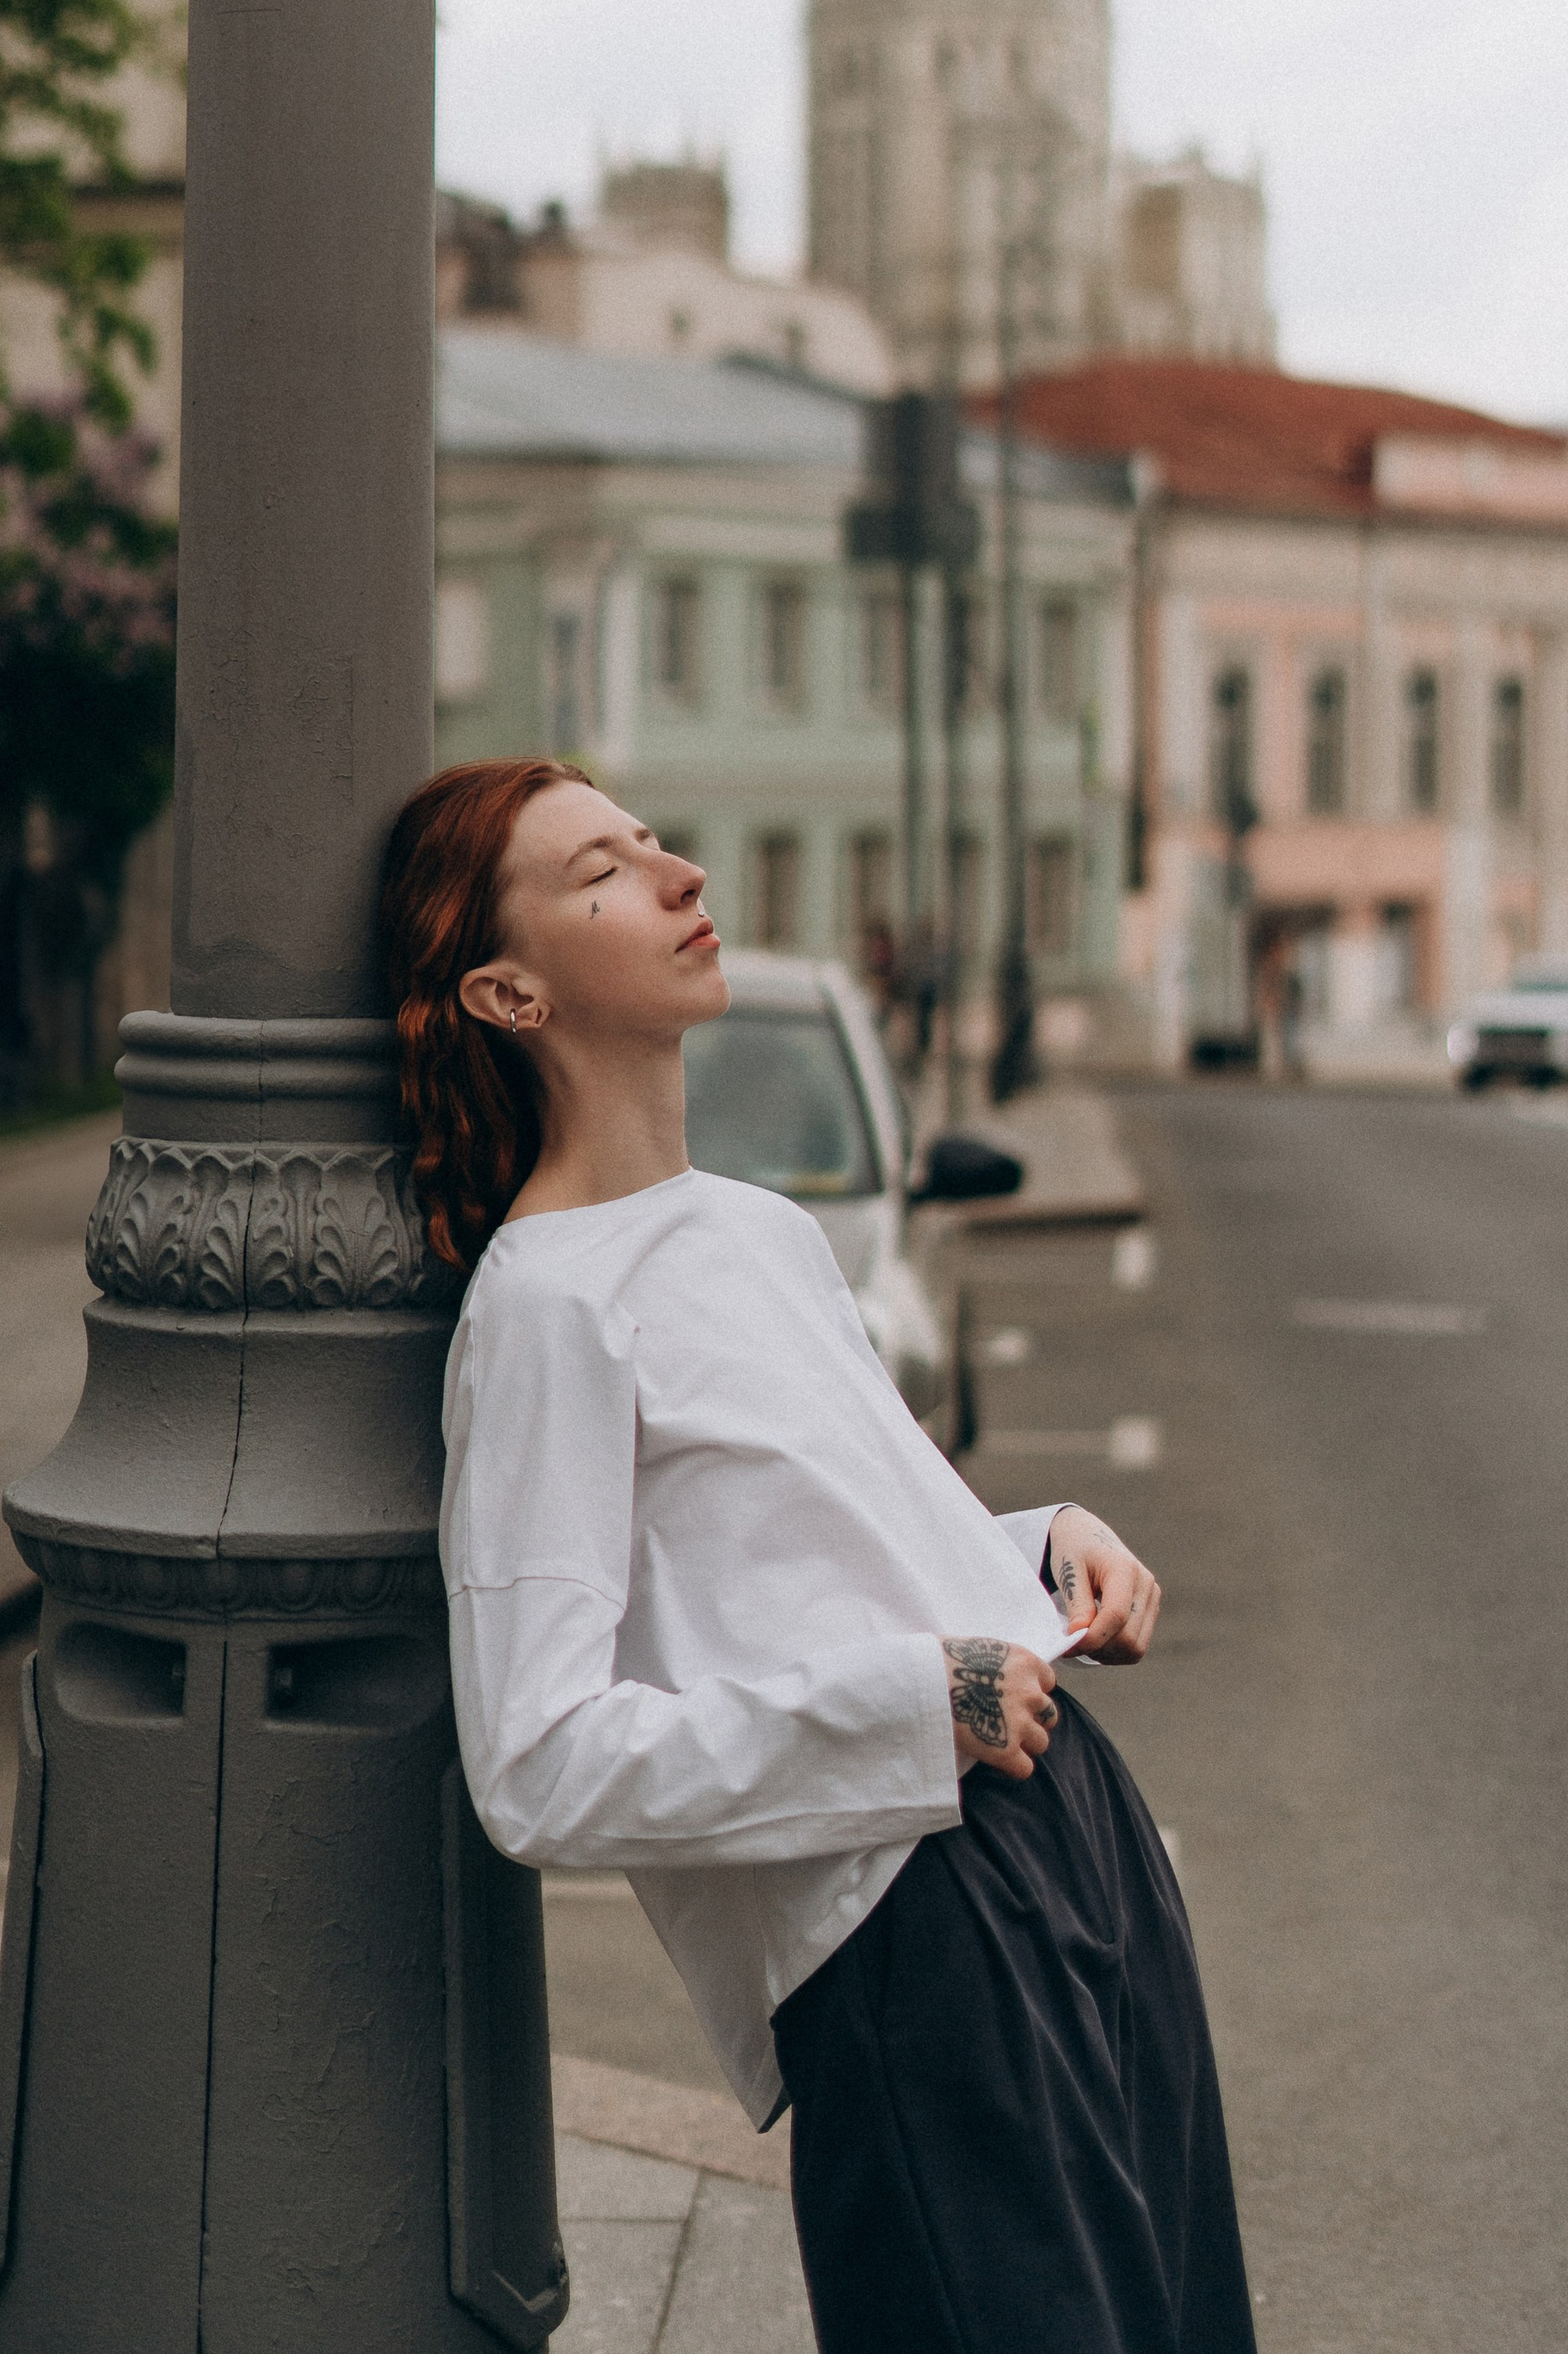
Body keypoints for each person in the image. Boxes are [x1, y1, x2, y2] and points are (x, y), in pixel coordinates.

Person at [383, 755, 1257, 2354]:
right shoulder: (547, 1307)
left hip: (1071, 1824)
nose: (679, 876)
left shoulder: (761, 1229)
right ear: (508, 991)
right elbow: (535, 1759)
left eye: (654, 840)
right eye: (602, 873)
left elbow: (829, 1552)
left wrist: (1035, 1545)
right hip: (907, 1916)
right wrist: (913, 1705)